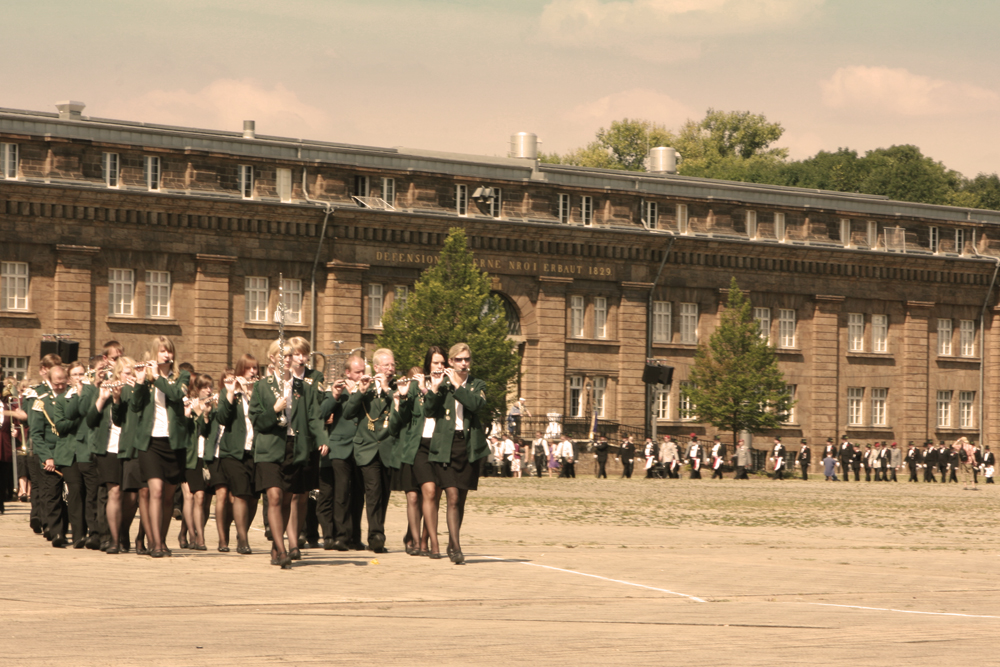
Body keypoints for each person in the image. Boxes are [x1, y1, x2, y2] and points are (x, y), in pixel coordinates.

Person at [251, 339, 327, 568]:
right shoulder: (262, 387)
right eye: (283, 356)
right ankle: (282, 549)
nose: (288, 359)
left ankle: (276, 547)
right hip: (269, 448)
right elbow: (256, 420)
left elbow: (313, 415)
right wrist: (274, 411)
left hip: (294, 446)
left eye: (290, 355)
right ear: (272, 358)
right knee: (274, 496)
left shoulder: (302, 387)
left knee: (286, 499)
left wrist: (322, 438)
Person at [424, 342, 488, 565]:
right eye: (459, 359)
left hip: (468, 446)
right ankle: (457, 547)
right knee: (451, 496)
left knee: (460, 499)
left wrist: (458, 386)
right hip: (446, 446)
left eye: (467, 359)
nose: (463, 363)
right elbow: (429, 411)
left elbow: (476, 405)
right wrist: (434, 387)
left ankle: (452, 541)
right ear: (450, 361)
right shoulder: (442, 385)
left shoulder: (477, 384)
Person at [130, 336, 190, 558]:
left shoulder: (181, 376)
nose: (166, 355)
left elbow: (175, 394)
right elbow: (135, 406)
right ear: (154, 354)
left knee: (167, 496)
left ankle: (162, 540)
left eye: (169, 351)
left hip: (174, 443)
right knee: (154, 491)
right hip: (150, 442)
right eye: (162, 351)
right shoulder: (146, 377)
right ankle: (154, 543)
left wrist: (156, 378)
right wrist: (139, 382)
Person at [343, 348, 398, 553]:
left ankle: (377, 531)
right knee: (373, 492)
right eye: (386, 365)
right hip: (367, 448)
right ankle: (376, 535)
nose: (391, 369)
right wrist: (362, 391)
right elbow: (348, 412)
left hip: (388, 447)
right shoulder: (365, 387)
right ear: (376, 368)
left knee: (384, 493)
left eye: (393, 365)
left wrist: (388, 390)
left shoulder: (397, 389)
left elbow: (404, 412)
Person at [318, 354, 365, 551]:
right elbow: (321, 413)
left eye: (363, 371)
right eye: (357, 372)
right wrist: (335, 395)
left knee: (358, 495)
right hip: (339, 448)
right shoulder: (338, 389)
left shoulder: (366, 390)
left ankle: (355, 537)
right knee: (341, 494)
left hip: (361, 448)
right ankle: (340, 537)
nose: (362, 375)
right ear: (347, 373)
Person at [217, 354, 259, 555]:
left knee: (252, 498)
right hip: (233, 452)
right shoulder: (231, 391)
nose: (253, 372)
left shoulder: (259, 391)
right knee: (241, 493)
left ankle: (240, 531)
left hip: (255, 451)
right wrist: (231, 392)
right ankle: (243, 539)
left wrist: (252, 394)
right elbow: (222, 418)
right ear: (241, 369)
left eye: (255, 368)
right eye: (249, 368)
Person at [30, 363, 68, 547]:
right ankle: (56, 532)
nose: (60, 387)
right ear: (50, 381)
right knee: (52, 495)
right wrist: (47, 457)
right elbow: (36, 434)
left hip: (69, 453)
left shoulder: (72, 398)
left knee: (70, 496)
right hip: (51, 454)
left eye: (63, 383)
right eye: (56, 384)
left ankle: (68, 528)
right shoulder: (42, 401)